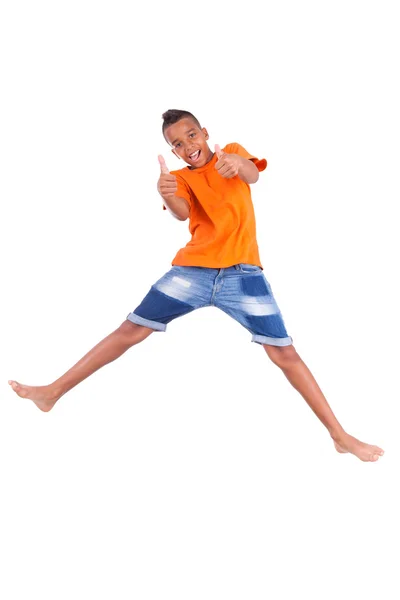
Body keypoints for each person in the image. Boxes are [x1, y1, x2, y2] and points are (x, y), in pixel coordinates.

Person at [8, 109, 384, 463]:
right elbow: (181, 213)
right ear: (172, 150)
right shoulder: (181, 178)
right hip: (194, 272)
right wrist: (165, 192)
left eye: (192, 135)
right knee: (130, 331)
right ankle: (52, 392)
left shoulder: (232, 154)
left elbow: (252, 174)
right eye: (177, 143)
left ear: (205, 134)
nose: (188, 145)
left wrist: (238, 165)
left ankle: (339, 435)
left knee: (285, 354)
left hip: (244, 276)